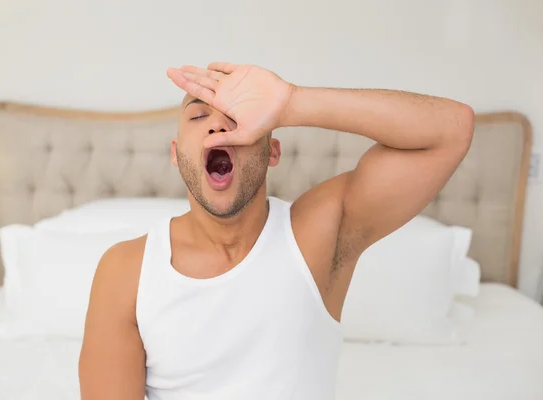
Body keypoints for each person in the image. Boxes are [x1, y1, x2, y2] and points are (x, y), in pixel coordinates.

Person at [78, 62, 475, 400]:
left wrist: (291, 102)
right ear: (176, 153)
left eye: (236, 118)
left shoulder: (315, 236)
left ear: (272, 151)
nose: (218, 127)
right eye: (199, 117)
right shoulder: (125, 270)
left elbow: (452, 130)